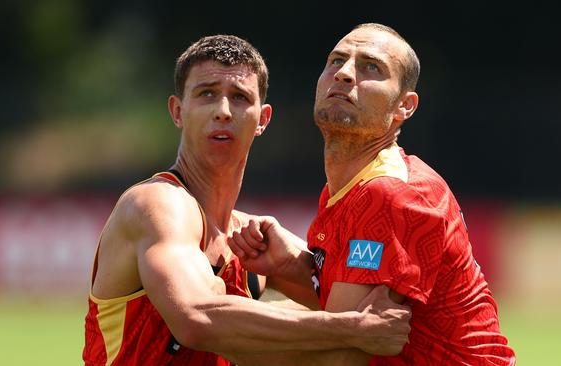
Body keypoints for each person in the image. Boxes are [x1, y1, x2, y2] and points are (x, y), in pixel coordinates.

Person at [82, 34, 413, 366]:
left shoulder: (251, 242)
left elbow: (352, 306)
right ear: (178, 111)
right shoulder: (157, 204)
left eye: (239, 97)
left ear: (263, 119)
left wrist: (294, 266)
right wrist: (348, 329)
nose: (223, 111)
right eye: (207, 94)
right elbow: (195, 318)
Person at [229, 23, 517, 365]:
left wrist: (216, 329)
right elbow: (347, 321)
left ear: (404, 106)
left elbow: (339, 352)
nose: (344, 74)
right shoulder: (352, 185)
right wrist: (289, 266)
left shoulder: (390, 193)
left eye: (371, 67)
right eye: (336, 61)